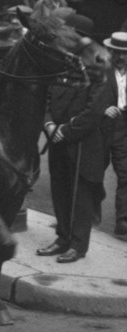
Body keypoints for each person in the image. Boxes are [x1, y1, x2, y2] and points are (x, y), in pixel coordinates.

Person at [40, 17, 111, 262]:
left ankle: (78, 245)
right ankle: (62, 237)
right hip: (57, 137)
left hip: (83, 143)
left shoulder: (100, 64)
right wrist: (49, 125)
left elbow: (94, 110)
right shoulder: (62, 61)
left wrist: (65, 131)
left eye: (68, 32)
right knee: (59, 189)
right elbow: (47, 96)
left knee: (81, 194)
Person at [103, 32, 127, 238]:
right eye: (117, 53)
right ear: (111, 51)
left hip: (123, 129)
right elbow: (87, 96)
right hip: (100, 128)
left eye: (125, 54)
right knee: (91, 176)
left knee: (125, 175)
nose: (121, 58)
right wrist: (103, 108)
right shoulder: (100, 70)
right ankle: (86, 215)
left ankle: (123, 222)